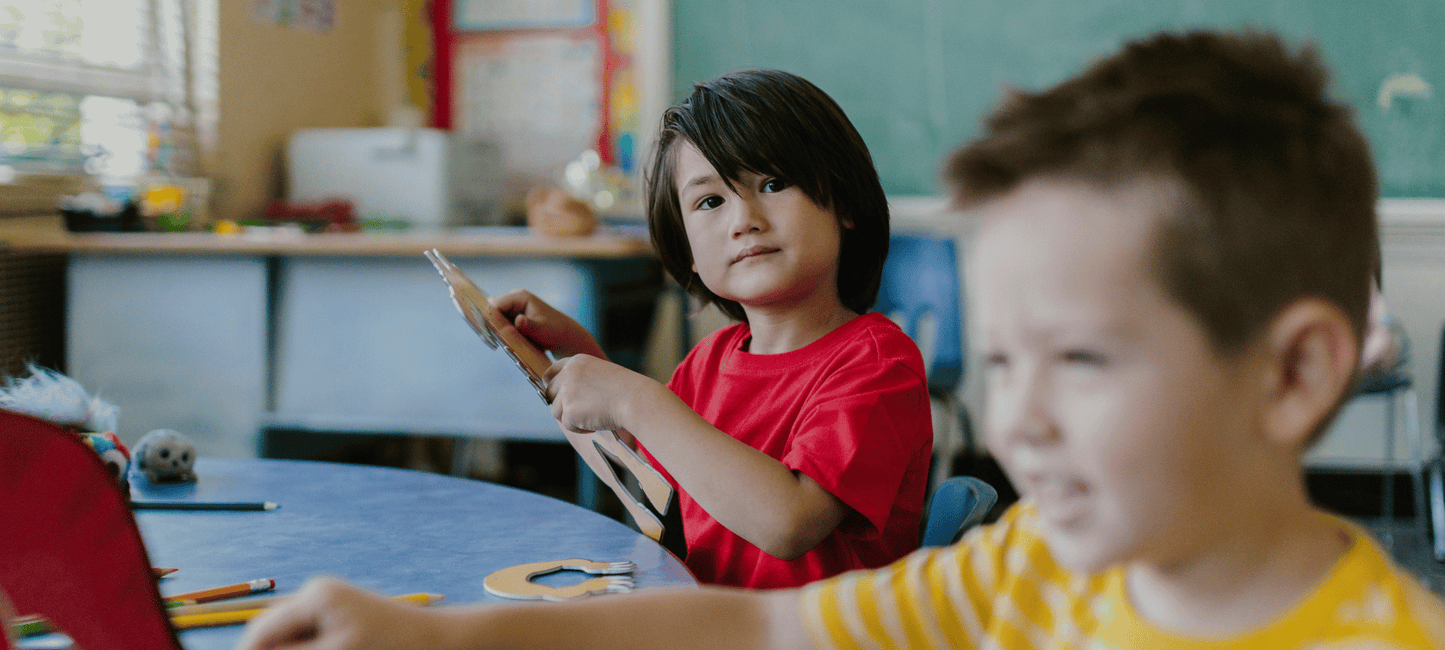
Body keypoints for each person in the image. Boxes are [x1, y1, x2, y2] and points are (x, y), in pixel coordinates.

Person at [238, 30, 1445, 650]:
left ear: (1292, 373)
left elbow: (780, 538)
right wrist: (430, 631)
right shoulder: (1037, 564)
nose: (1015, 420)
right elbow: (760, 623)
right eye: (1004, 359)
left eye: (1081, 358)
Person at [496, 68, 934, 590]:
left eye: (773, 184)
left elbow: (788, 521)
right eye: (710, 201)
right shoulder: (712, 358)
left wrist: (636, 398)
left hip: (808, 627)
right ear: (687, 248)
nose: (744, 219)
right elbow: (650, 460)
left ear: (845, 203)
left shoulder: (878, 363)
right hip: (711, 616)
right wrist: (574, 354)